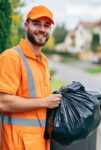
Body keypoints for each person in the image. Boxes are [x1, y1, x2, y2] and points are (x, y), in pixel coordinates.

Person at [0, 5, 62, 150]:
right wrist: (45, 102)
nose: (42, 29)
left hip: (40, 143)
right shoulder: (11, 57)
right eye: (36, 24)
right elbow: (2, 102)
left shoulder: (43, 60)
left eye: (46, 26)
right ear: (26, 26)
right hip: (18, 144)